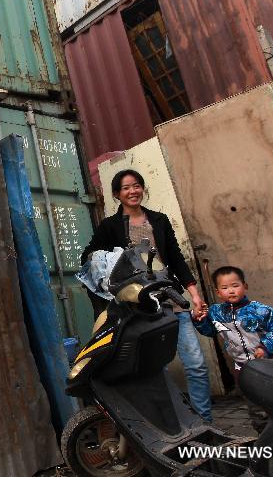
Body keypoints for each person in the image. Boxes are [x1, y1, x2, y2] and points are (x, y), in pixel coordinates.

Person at [81, 169, 213, 422]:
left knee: (195, 364)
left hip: (171, 298)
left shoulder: (159, 220)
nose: (133, 191)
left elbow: (175, 258)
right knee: (155, 370)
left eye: (137, 185)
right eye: (126, 188)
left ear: (143, 188)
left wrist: (194, 294)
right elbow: (88, 257)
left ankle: (204, 421)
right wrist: (111, 273)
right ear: (117, 194)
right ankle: (167, 422)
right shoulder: (110, 226)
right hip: (139, 308)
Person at [193, 266, 273, 431]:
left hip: (269, 365)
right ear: (218, 292)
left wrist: (265, 347)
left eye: (235, 285)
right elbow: (209, 331)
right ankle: (265, 439)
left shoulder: (260, 310)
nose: (230, 291)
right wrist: (199, 319)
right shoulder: (216, 313)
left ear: (245, 286)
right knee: (255, 407)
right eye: (225, 288)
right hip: (243, 368)